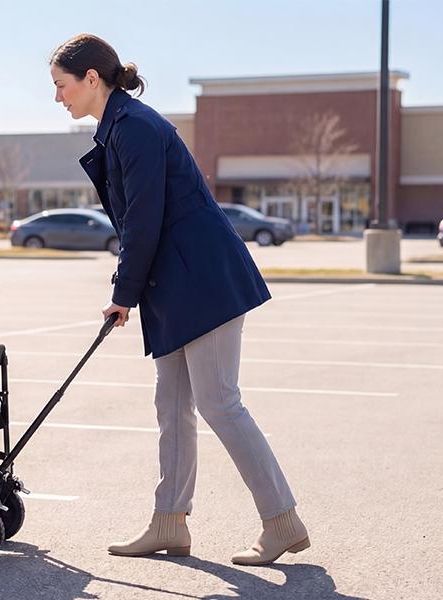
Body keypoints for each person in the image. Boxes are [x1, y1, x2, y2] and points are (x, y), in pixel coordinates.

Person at [49, 33, 308, 566]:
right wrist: (133, 288)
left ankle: (281, 520)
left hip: (202, 282)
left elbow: (144, 219)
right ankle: (170, 521)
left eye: (61, 85)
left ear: (91, 79)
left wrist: (124, 293)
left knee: (219, 402)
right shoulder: (119, 127)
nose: (58, 97)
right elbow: (138, 223)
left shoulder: (136, 128)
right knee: (172, 403)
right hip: (177, 284)